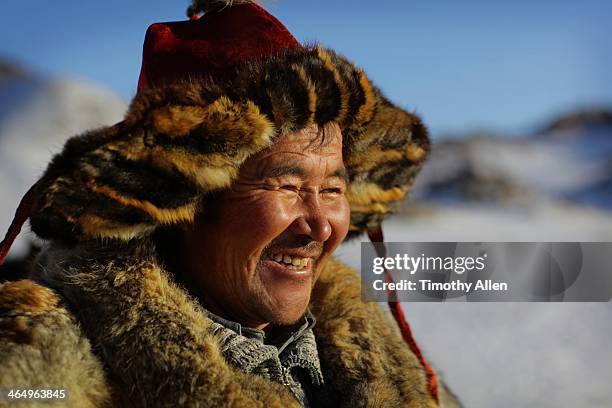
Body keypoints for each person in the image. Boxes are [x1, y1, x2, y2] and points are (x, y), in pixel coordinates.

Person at [0, 1, 460, 406]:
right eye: (285, 186)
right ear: (181, 203)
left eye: (333, 190)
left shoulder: (389, 361)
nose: (321, 226)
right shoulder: (47, 366)